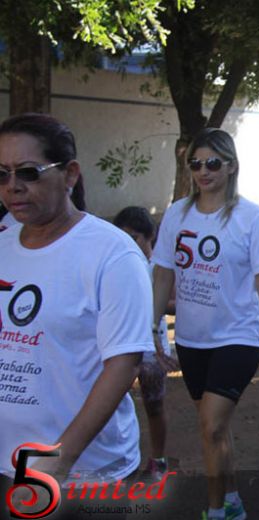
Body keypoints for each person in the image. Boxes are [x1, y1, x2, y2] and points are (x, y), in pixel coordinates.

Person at [0, 114, 153, 514]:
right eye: (1, 174)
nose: (12, 186)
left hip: (83, 475)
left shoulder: (112, 254)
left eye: (28, 172)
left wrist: (58, 460)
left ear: (70, 175)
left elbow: (124, 363)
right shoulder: (2, 241)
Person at [151, 128, 259, 520]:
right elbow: (162, 275)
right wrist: (150, 331)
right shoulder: (178, 214)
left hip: (239, 336)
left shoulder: (249, 216)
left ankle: (215, 511)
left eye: (212, 163)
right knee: (216, 430)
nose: (203, 171)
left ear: (231, 166)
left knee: (210, 426)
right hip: (193, 339)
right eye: (195, 163)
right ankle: (234, 498)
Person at [113, 206, 178, 482]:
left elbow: (175, 304)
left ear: (150, 236)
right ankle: (119, 460)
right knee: (111, 403)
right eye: (122, 237)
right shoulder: (114, 265)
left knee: (154, 406)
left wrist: (154, 302)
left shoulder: (159, 269)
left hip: (153, 351)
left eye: (134, 237)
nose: (129, 243)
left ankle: (158, 459)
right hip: (119, 349)